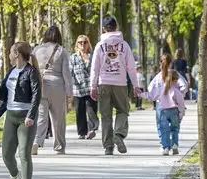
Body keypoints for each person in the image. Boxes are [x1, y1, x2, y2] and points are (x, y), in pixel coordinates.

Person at [0, 42, 41, 179]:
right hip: (11, 117)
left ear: (17, 54)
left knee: (24, 153)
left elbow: (36, 95)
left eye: (10, 52)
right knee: (6, 154)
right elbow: (7, 97)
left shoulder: (31, 72)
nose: (8, 55)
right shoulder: (11, 72)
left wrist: (31, 116)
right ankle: (15, 175)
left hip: (26, 118)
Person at [89, 16, 141, 155]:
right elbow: (131, 67)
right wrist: (135, 85)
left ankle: (108, 147)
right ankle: (118, 134)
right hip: (120, 84)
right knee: (123, 111)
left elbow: (95, 68)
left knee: (105, 116)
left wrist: (93, 86)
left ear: (103, 29)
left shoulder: (99, 46)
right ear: (116, 27)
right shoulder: (125, 45)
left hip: (103, 83)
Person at [31, 26, 72, 155]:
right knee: (58, 119)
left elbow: (32, 69)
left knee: (41, 117)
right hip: (57, 87)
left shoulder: (37, 50)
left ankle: (36, 142)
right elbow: (66, 74)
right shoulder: (61, 51)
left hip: (41, 86)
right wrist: (70, 93)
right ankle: (59, 146)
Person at [140, 61, 187, 155]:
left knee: (163, 129)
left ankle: (165, 147)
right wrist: (181, 113)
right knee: (175, 129)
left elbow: (151, 96)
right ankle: (174, 145)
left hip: (162, 111)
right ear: (175, 81)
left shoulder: (159, 90)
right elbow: (181, 103)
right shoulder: (176, 91)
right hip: (174, 111)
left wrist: (140, 94)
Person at [71, 35, 98, 140]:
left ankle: (92, 129)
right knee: (80, 111)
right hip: (78, 89)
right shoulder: (73, 57)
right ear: (77, 44)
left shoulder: (93, 56)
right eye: (80, 42)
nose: (83, 44)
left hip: (91, 88)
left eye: (85, 42)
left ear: (88, 44)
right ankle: (82, 132)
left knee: (91, 110)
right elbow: (70, 73)